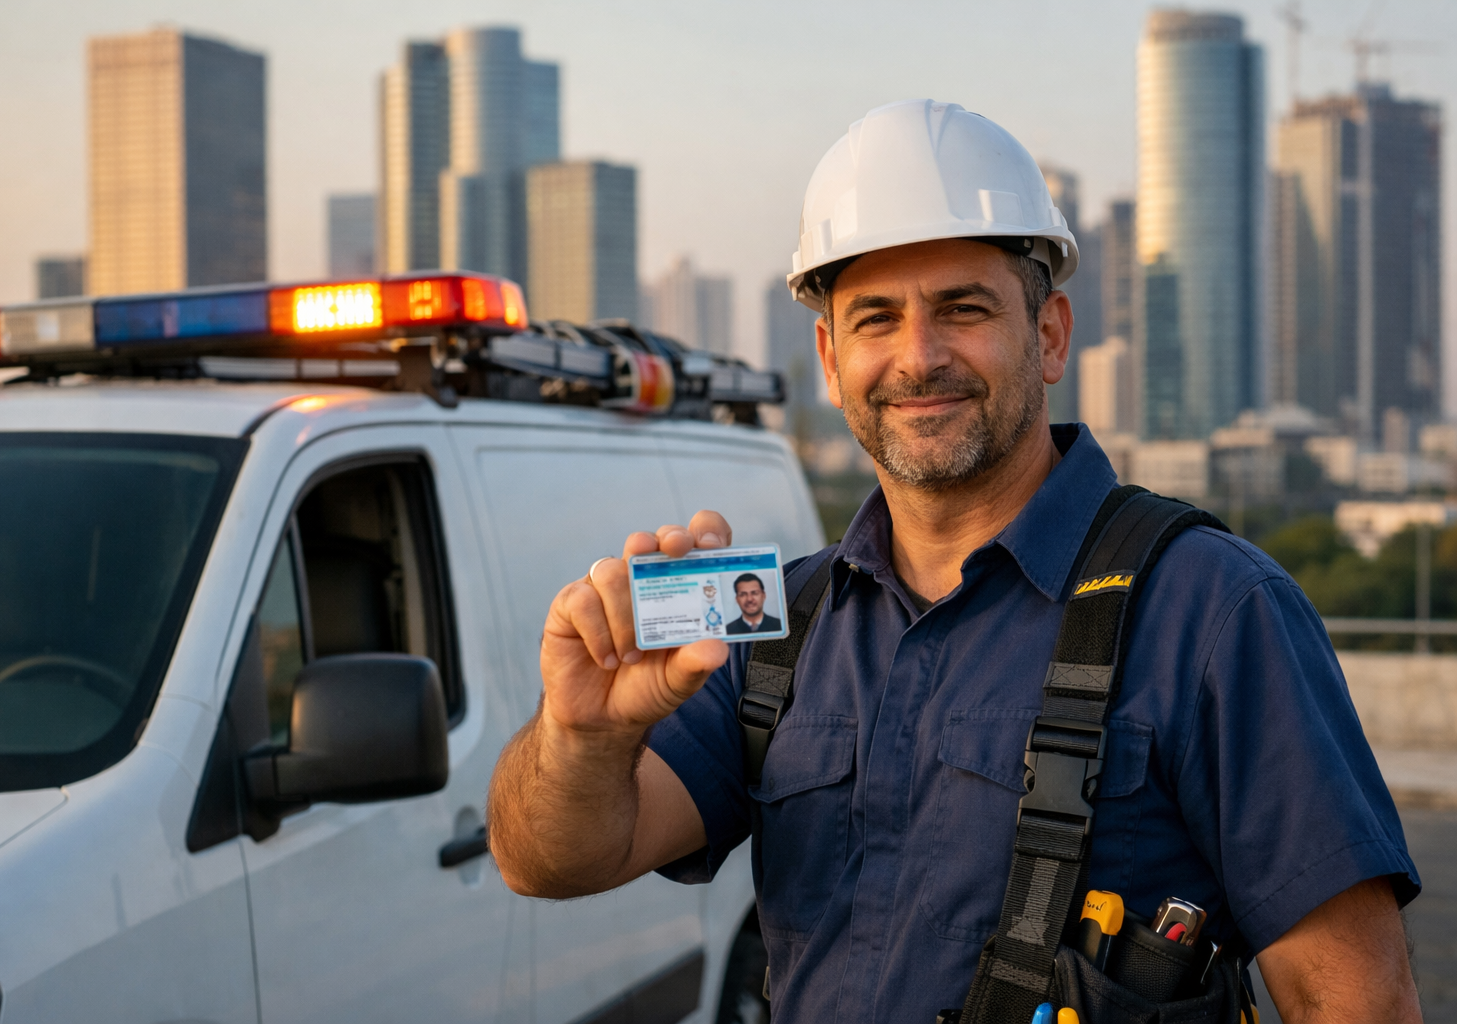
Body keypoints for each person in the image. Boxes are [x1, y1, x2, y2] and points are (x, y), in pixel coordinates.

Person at [488, 99, 1421, 1023]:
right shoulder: (775, 625)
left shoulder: (1213, 611)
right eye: (875, 319)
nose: (918, 357)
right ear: (828, 355)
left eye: (962, 308)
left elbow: (1358, 1001)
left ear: (1049, 334)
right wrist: (584, 735)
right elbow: (550, 861)